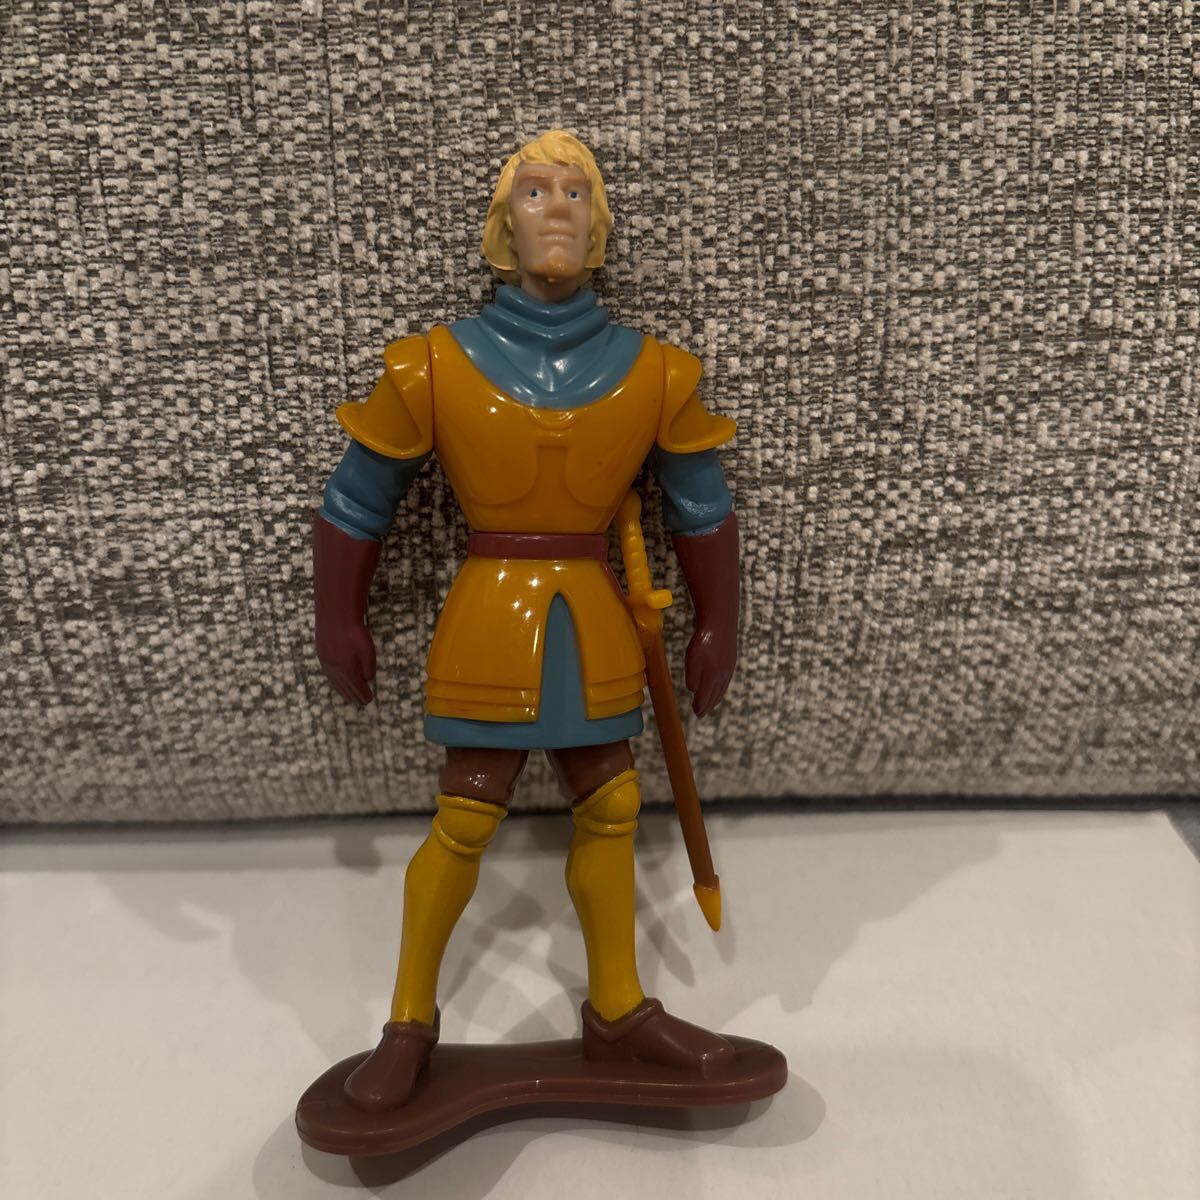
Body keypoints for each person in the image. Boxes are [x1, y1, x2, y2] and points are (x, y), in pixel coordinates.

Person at [313, 130, 741, 1112]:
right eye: (537, 191)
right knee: (466, 816)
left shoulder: (656, 373)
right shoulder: (433, 366)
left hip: (593, 620)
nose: (558, 209)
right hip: (490, 618)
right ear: (503, 225)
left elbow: (703, 508)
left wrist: (718, 622)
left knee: (615, 808)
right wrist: (339, 614)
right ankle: (409, 1022)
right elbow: (356, 501)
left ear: (599, 226)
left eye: (577, 193)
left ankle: (618, 1009)